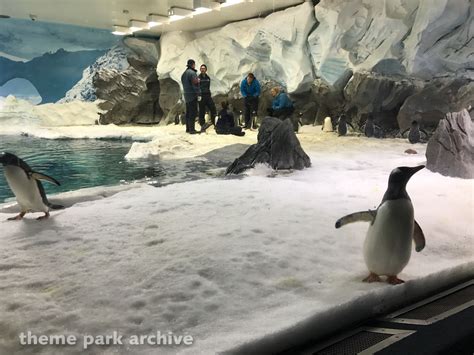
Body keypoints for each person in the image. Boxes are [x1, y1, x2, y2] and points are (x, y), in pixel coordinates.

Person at [180, 59, 201, 134]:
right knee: (193, 112)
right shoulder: (192, 73)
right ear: (192, 65)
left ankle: (188, 128)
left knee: (188, 113)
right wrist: (198, 94)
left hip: (186, 96)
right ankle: (192, 129)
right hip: (192, 96)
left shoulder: (184, 74)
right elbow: (195, 84)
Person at [198, 64, 217, 132]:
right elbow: (197, 87)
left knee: (213, 108)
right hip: (201, 96)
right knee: (201, 112)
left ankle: (213, 123)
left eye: (204, 68)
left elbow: (208, 87)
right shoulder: (198, 78)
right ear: (200, 70)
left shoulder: (208, 78)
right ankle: (202, 125)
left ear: (206, 70)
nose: (203, 69)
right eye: (201, 68)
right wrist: (199, 96)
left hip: (207, 95)